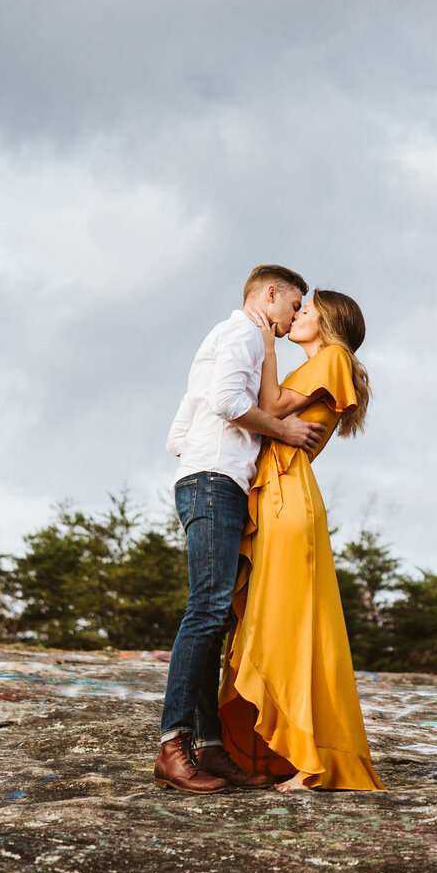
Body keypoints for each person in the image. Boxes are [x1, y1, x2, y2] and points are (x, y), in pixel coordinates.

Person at [154, 265, 325, 794]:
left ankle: (208, 748)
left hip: (204, 475)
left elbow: (179, 433)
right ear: (269, 294)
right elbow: (228, 403)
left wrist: (210, 452)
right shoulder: (244, 332)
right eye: (294, 304)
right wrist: (283, 429)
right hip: (214, 482)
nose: (296, 314)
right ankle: (173, 743)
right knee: (207, 610)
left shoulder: (229, 336)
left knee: (216, 617)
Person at [219, 289, 385, 791]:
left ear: (328, 322)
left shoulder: (333, 358)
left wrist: (266, 342)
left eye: (305, 311)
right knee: (280, 622)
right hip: (278, 494)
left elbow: (269, 405)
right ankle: (281, 752)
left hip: (287, 497)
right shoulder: (320, 366)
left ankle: (314, 759)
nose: (296, 316)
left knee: (290, 625)